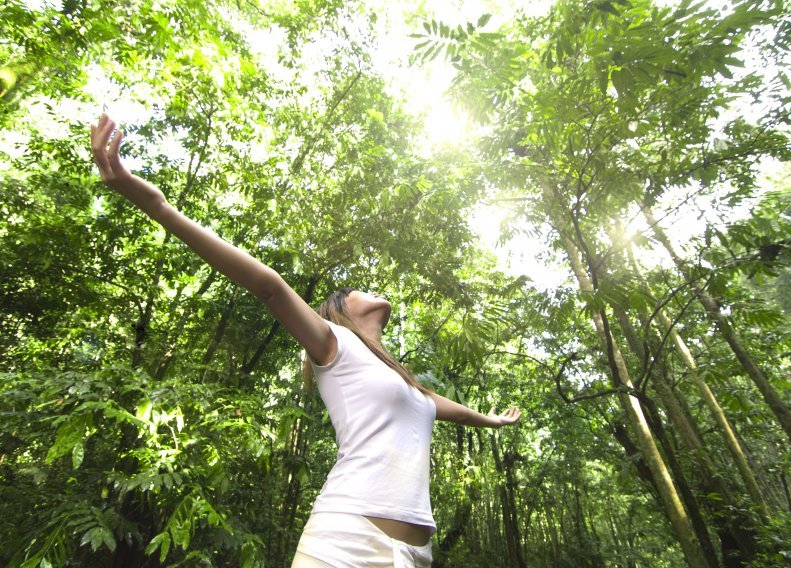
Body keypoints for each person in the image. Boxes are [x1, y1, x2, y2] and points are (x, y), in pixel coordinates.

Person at [91, 114, 521, 567]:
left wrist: (490, 422)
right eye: (360, 289)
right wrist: (152, 202)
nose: (372, 289)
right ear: (340, 310)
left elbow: (437, 403)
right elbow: (270, 285)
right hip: (346, 537)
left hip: (415, 554)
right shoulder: (335, 344)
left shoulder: (402, 379)